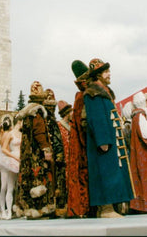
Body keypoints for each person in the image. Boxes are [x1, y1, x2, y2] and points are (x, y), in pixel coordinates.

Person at [84, 58, 134, 218]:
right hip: (104, 141)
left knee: (112, 172)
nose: (109, 74)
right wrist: (103, 140)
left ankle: (110, 207)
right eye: (106, 72)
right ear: (98, 75)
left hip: (112, 140)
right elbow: (97, 119)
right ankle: (106, 208)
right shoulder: (93, 93)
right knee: (106, 173)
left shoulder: (103, 92)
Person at [14, 81, 56, 219]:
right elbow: (39, 133)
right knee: (39, 178)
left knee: (27, 179)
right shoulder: (37, 112)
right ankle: (40, 209)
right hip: (36, 154)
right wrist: (46, 149)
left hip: (27, 153)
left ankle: (27, 208)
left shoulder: (26, 113)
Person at [66, 60, 91, 218]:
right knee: (83, 175)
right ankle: (83, 207)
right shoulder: (82, 98)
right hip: (83, 145)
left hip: (79, 143)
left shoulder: (79, 97)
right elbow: (83, 125)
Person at [0, 115, 21, 219]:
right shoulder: (9, 134)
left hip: (20, 160)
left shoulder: (21, 134)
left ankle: (13, 210)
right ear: (19, 122)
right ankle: (5, 211)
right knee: (7, 187)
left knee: (16, 187)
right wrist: (14, 157)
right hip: (11, 159)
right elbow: (4, 149)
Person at [43, 88, 68, 217]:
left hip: (57, 158)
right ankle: (53, 206)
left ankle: (57, 206)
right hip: (51, 158)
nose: (50, 110)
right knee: (52, 182)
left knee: (57, 182)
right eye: (48, 107)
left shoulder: (51, 121)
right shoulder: (48, 122)